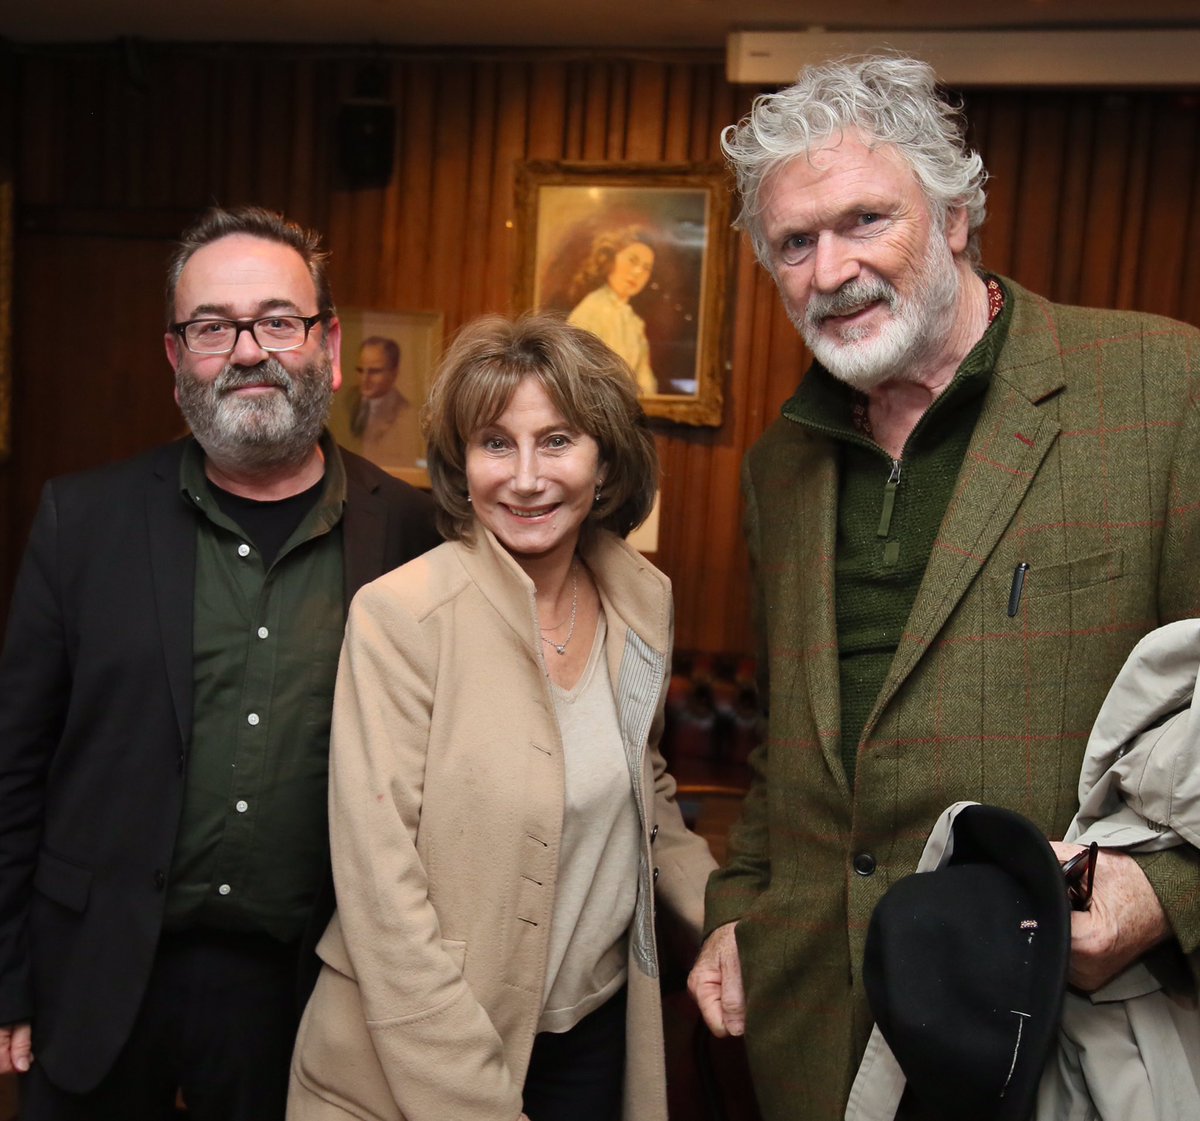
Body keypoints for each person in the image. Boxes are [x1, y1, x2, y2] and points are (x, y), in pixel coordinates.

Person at [687, 55, 1200, 1121]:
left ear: (958, 215)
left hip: (1050, 1025)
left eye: (866, 219)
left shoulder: (1161, 388)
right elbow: (794, 735)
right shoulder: (782, 460)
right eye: (795, 242)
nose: (830, 270)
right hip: (817, 1032)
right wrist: (740, 905)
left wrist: (1171, 893)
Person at [0, 205, 440, 1120]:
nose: (249, 350)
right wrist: (7, 974)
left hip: (306, 988)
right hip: (99, 973)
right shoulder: (81, 522)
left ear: (327, 341)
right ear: (176, 356)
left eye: (279, 320)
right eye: (213, 326)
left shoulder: (412, 532)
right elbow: (14, 771)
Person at [287, 312, 716, 1121]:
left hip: (588, 1042)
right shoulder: (401, 617)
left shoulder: (641, 599)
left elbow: (642, 781)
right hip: (414, 1054)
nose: (525, 477)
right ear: (460, 462)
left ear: (605, 458)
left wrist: (728, 914)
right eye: (494, 442)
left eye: (557, 441)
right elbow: (381, 893)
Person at [567, 225, 659, 395]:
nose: (638, 272)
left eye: (646, 268)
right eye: (633, 260)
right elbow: (576, 379)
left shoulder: (633, 322)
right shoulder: (590, 310)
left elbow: (645, 381)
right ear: (611, 259)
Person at [347, 335, 423, 467]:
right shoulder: (347, 400)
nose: (365, 379)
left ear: (394, 373)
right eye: (360, 370)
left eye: (374, 371)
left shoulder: (406, 414)